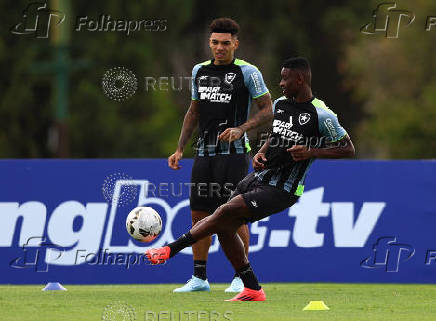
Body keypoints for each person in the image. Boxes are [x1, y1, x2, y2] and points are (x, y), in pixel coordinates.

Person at [148, 56, 355, 301]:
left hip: (283, 189)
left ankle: (170, 249)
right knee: (224, 225)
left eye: (285, 78)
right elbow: (276, 134)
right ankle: (252, 288)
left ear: (300, 80)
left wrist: (311, 152)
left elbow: (347, 148)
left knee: (226, 211)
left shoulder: (322, 115)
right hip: (258, 177)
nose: (281, 83)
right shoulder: (281, 104)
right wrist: (261, 152)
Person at [167, 17, 273, 293]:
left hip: (235, 155)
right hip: (205, 153)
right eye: (215, 42)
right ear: (209, 43)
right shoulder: (199, 71)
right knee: (199, 214)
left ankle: (240, 276)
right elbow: (193, 112)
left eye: (226, 43)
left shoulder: (248, 72)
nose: (220, 48)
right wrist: (180, 148)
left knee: (233, 214)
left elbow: (268, 110)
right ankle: (199, 278)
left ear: (235, 43)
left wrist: (242, 128)